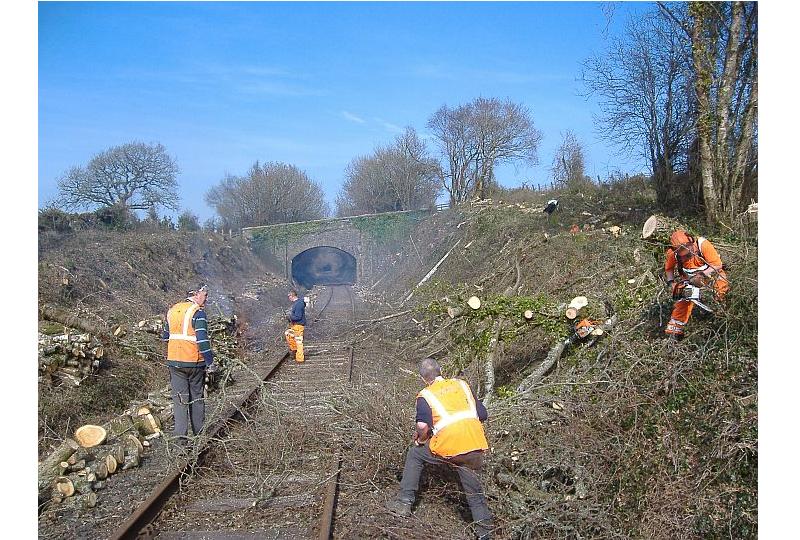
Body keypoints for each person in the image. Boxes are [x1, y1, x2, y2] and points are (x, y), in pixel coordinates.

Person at [386, 358, 493, 540]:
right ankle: (485, 535)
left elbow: (422, 425)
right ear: (441, 371)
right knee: (475, 495)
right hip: (475, 444)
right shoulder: (462, 384)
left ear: (423, 378)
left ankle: (404, 502)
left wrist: (421, 439)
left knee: (415, 454)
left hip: (450, 446)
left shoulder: (425, 395)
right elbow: (482, 414)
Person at [162, 285, 217, 444]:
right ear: (196, 294)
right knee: (197, 399)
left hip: (175, 362)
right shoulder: (198, 313)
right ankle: (200, 436)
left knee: (179, 401)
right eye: (205, 295)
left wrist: (172, 354)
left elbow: (166, 337)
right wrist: (210, 362)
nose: (206, 298)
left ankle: (180, 442)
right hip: (194, 362)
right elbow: (202, 340)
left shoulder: (172, 311)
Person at [664, 230, 729, 338]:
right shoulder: (672, 253)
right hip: (690, 280)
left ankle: (722, 317)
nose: (685, 257)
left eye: (687, 253)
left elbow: (717, 265)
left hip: (711, 275)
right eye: (682, 255)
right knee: (682, 298)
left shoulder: (702, 244)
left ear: (691, 243)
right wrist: (671, 283)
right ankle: (675, 329)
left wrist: (702, 275)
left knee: (720, 289)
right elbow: (669, 269)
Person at [284, 290, 306, 363]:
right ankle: (294, 351)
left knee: (299, 342)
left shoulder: (299, 304)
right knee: (288, 334)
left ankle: (300, 359)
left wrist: (290, 317)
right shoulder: (296, 303)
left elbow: (298, 317)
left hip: (298, 326)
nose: (288, 298)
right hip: (295, 326)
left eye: (289, 296)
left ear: (292, 296)